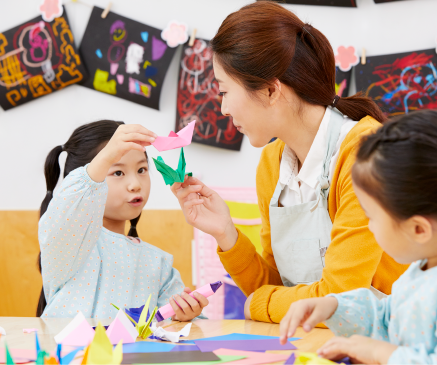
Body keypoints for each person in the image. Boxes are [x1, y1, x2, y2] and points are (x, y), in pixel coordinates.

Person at [171, 1, 408, 324]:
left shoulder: (364, 152)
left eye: (224, 91)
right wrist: (226, 233)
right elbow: (275, 287)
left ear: (270, 90)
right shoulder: (271, 164)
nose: (223, 108)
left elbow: (339, 298)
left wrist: (257, 304)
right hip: (314, 344)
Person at [279, 110, 437, 364]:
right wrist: (333, 307)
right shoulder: (430, 264)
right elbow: (390, 318)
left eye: (370, 216)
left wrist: (380, 353)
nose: (369, 227)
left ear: (418, 229)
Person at [36, 121, 209, 320]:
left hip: (133, 352)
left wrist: (184, 315)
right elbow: (69, 203)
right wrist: (106, 157)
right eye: (118, 172)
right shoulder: (70, 242)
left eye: (142, 170)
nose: (135, 184)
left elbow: (167, 328)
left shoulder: (158, 263)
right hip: (74, 351)